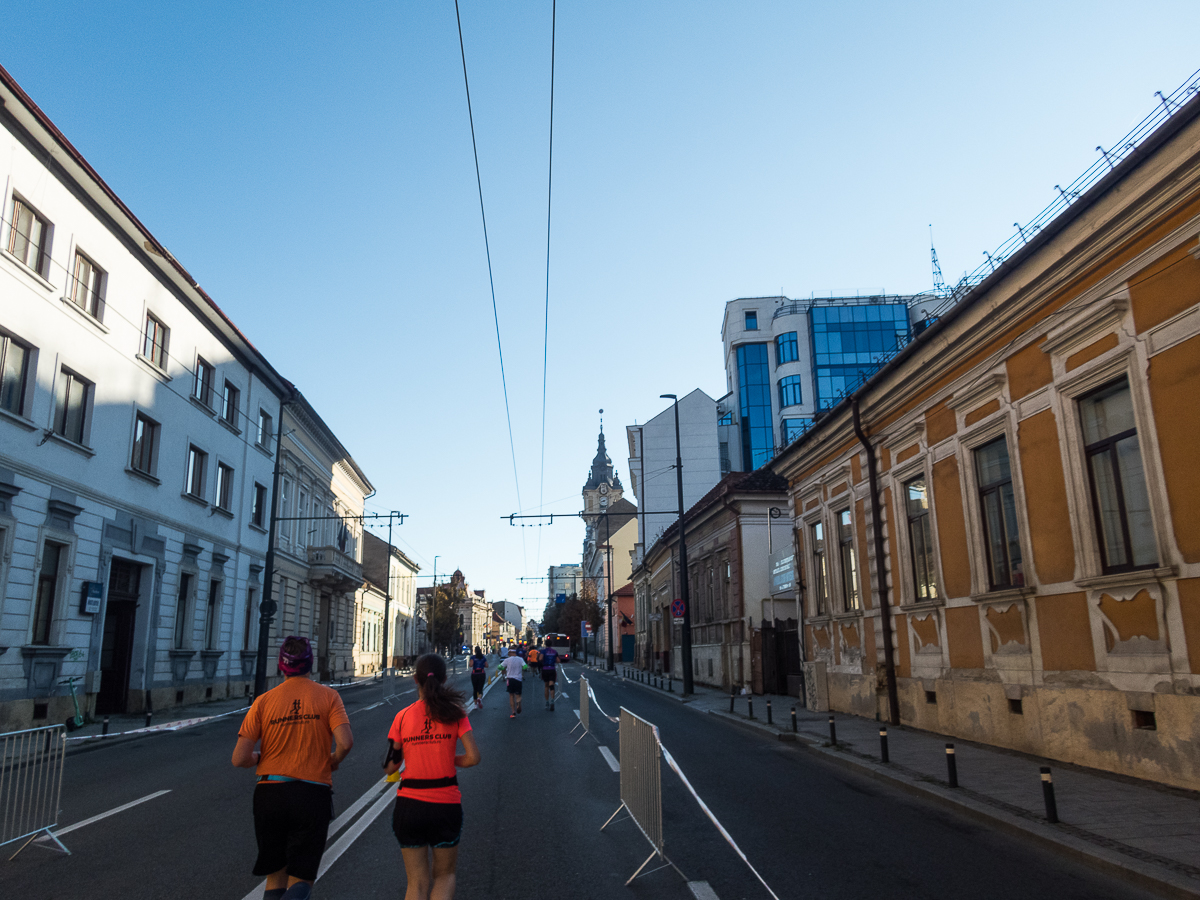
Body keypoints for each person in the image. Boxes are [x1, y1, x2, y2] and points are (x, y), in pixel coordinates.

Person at [232, 636, 353, 900]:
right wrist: (334, 760)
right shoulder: (329, 696)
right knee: (302, 878)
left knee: (275, 875)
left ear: (282, 666)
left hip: (269, 793)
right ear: (309, 664)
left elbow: (239, 758)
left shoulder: (263, 702)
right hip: (312, 793)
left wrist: (258, 757)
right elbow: (346, 741)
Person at [385, 653, 481, 900]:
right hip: (445, 804)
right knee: (444, 876)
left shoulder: (403, 716)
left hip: (409, 805)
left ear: (415, 680)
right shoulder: (455, 713)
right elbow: (473, 757)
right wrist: (449, 759)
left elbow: (390, 767)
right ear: (444, 678)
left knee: (416, 883)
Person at [498, 648, 525, 718]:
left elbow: (499, 667)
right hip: (518, 679)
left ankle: (513, 712)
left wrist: (504, 669)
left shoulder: (507, 660)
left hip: (510, 679)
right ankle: (518, 702)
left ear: (510, 653)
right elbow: (525, 667)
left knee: (511, 695)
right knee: (518, 694)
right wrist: (521, 669)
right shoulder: (520, 659)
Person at [539, 639, 559, 710]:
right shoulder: (554, 651)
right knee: (552, 686)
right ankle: (552, 701)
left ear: (545, 644)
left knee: (546, 686)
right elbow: (558, 660)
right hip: (552, 669)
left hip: (545, 669)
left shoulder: (543, 651)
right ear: (551, 644)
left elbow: (540, 658)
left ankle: (547, 702)